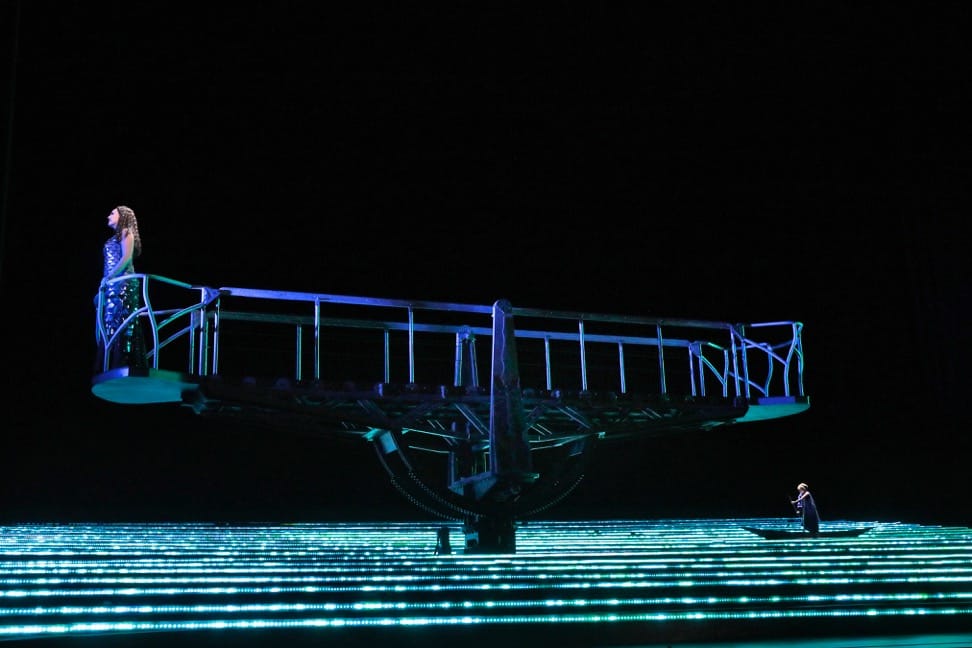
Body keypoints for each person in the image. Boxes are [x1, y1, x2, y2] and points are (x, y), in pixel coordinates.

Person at [96, 205, 146, 370]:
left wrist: (109, 278)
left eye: (112, 213)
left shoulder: (126, 232)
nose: (108, 216)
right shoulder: (114, 238)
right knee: (109, 323)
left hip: (123, 286)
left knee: (123, 323)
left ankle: (123, 363)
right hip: (112, 286)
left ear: (123, 216)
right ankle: (108, 364)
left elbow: (126, 259)